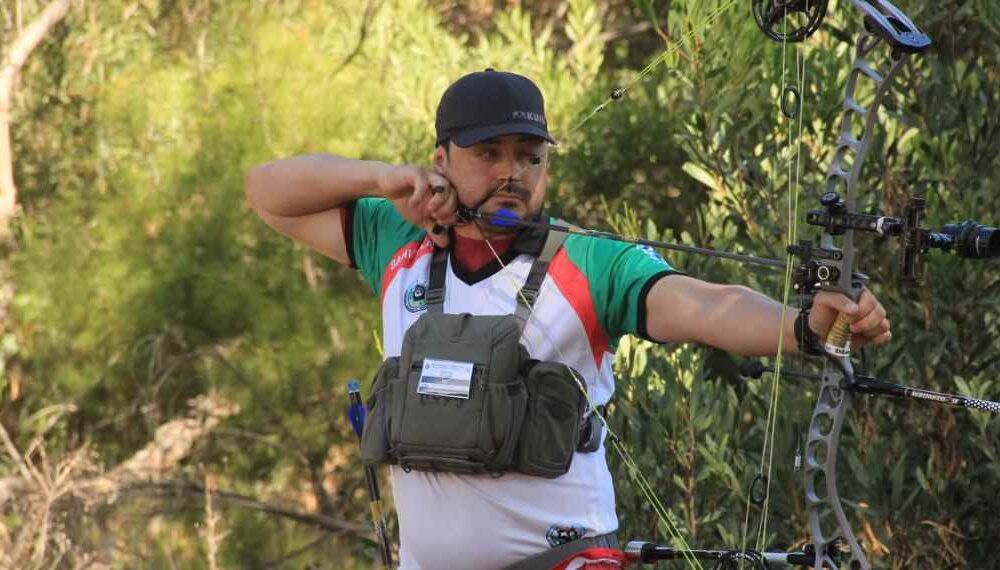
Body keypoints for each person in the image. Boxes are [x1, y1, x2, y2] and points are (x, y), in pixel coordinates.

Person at [244, 69, 891, 570]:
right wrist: (384, 178)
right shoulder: (395, 240)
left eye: (530, 156)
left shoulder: (588, 261)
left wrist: (808, 324)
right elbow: (266, 191)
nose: (512, 173)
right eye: (487, 153)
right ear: (440, 160)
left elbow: (706, 304)